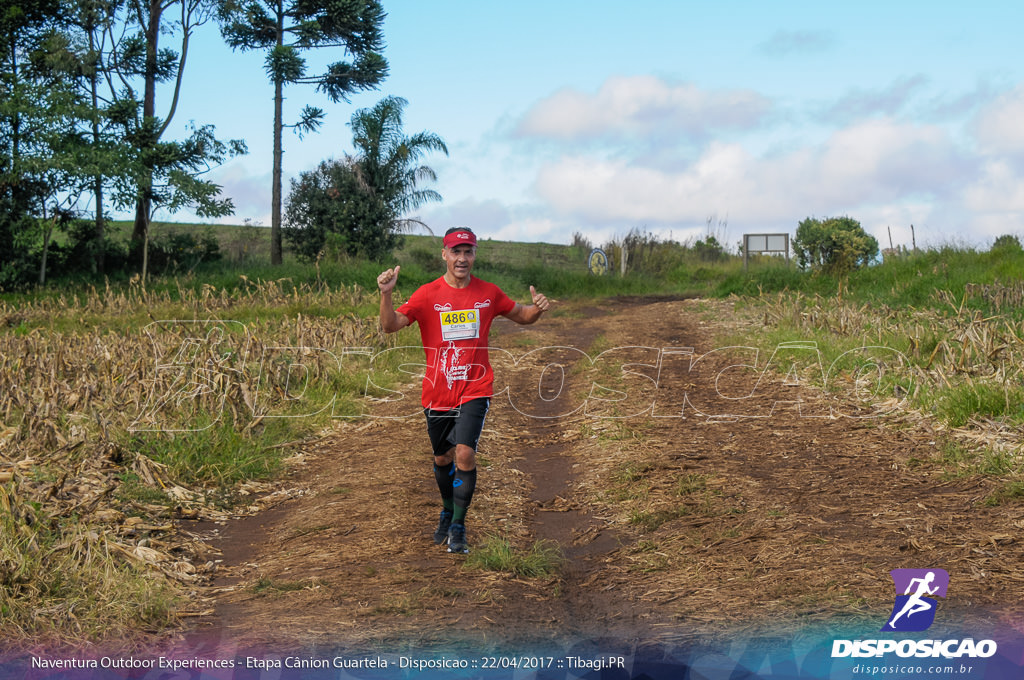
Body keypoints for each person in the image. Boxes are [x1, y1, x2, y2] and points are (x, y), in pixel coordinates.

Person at [377, 227, 550, 553]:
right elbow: (390, 326)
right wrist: (386, 294)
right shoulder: (428, 294)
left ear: (474, 255)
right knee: (442, 457)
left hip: (475, 387)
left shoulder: (489, 293)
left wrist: (537, 307)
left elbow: (522, 315)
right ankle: (446, 510)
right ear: (444, 254)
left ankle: (458, 526)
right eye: (456, 252)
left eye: (468, 251)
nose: (462, 258)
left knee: (465, 453)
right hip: (437, 391)